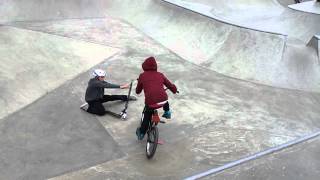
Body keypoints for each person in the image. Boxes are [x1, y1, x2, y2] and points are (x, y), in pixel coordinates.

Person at [135, 56, 178, 140]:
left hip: (150, 103)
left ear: (144, 66)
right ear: (155, 66)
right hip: (163, 101)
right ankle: (167, 112)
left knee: (147, 116)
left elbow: (138, 91)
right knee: (164, 98)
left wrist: (140, 84)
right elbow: (170, 85)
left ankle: (141, 133)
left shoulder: (142, 76)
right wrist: (174, 90)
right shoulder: (160, 74)